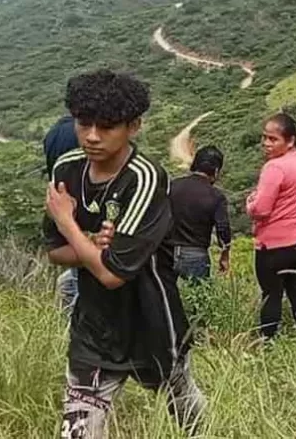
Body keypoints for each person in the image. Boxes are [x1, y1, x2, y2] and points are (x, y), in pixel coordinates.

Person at [43, 70, 203, 438]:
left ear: (133, 126)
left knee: (182, 403)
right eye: (84, 124)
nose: (92, 136)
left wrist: (70, 225)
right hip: (94, 327)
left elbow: (113, 274)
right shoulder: (67, 167)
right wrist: (92, 246)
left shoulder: (145, 179)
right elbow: (54, 253)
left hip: (152, 322)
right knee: (77, 429)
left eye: (107, 126)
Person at [245, 113, 296, 340]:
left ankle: (268, 341)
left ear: (290, 141)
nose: (266, 144)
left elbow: (261, 209)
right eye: (264, 137)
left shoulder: (274, 168)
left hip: (275, 245)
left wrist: (250, 203)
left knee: (271, 294)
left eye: (273, 139)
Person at [169, 146, 232, 281]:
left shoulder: (172, 186)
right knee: (199, 298)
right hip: (196, 255)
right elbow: (223, 229)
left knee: (166, 298)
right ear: (216, 171)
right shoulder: (216, 196)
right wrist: (225, 254)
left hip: (166, 251)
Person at [44, 113, 81, 311]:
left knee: (71, 277)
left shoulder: (54, 131)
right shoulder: (81, 132)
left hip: (58, 197)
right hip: (75, 200)